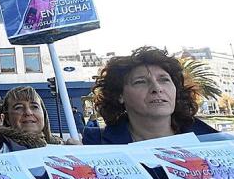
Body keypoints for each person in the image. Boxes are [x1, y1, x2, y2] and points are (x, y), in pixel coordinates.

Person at [84, 46, 216, 145]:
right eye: (140, 82)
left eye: (164, 80)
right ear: (119, 95)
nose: (157, 88)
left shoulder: (214, 142)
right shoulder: (94, 145)